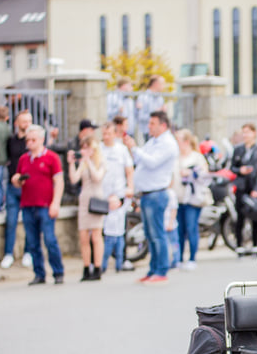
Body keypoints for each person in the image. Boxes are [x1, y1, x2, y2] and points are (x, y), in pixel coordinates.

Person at [123, 110, 178, 285]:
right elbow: (140, 160)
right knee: (149, 234)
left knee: (157, 234)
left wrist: (134, 148)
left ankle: (161, 270)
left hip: (157, 193)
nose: (149, 126)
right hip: (147, 194)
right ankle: (153, 269)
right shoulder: (154, 141)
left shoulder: (168, 143)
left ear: (163, 125)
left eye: (152, 123)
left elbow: (151, 162)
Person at [12, 125, 65, 286]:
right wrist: (16, 180)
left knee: (49, 240)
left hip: (45, 205)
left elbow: (59, 181)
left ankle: (58, 272)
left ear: (42, 139)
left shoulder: (51, 157)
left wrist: (55, 203)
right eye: (27, 140)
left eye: (33, 139)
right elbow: (17, 182)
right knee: (33, 242)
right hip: (28, 204)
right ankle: (39, 274)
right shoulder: (23, 159)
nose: (29, 142)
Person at [69, 136, 106, 281]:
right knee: (83, 236)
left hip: (96, 199)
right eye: (82, 147)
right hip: (84, 200)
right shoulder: (83, 164)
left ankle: (97, 267)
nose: (84, 150)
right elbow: (74, 179)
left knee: (96, 236)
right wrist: (72, 163)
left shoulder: (100, 162)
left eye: (87, 147)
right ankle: (86, 268)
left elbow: (97, 177)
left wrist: (89, 160)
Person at [100, 122, 135, 273]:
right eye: (104, 133)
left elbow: (129, 170)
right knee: (103, 231)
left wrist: (130, 187)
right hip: (102, 195)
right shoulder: (99, 149)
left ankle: (121, 261)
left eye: (108, 133)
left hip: (119, 194)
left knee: (119, 231)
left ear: (115, 134)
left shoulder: (121, 150)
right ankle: (101, 264)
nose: (106, 137)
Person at [174, 129, 210, 270]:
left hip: (193, 198)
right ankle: (180, 258)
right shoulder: (176, 157)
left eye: (179, 140)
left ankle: (192, 259)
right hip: (179, 197)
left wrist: (190, 172)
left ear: (186, 142)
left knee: (191, 227)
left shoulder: (197, 157)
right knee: (180, 229)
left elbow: (204, 174)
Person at [1, 110, 33, 269]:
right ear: (16, 123)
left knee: (28, 221)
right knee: (11, 221)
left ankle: (28, 253)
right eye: (23, 121)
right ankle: (8, 254)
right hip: (13, 186)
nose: (26, 124)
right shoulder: (11, 141)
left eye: (29, 121)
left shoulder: (32, 142)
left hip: (28, 186)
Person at [230, 123, 257, 254]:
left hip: (254, 185)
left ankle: (256, 244)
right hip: (241, 185)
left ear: (254, 133)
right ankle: (239, 244)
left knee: (255, 214)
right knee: (240, 215)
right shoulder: (238, 149)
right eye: (243, 132)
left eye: (248, 132)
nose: (245, 135)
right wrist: (240, 170)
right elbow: (232, 167)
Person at [137, 76, 166, 142]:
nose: (164, 86)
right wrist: (156, 113)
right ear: (155, 84)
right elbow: (140, 117)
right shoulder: (143, 97)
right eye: (162, 84)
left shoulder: (160, 98)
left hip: (159, 132)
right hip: (147, 132)